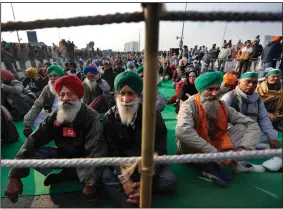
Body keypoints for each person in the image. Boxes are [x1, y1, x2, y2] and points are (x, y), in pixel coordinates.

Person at [4, 75, 108, 203]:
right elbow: (34, 139)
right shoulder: (55, 115)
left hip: (83, 158)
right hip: (63, 155)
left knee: (102, 172)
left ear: (79, 96)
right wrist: (14, 176)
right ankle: (70, 173)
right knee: (33, 152)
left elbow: (95, 149)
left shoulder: (91, 116)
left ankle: (68, 175)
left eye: (70, 94)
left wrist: (90, 183)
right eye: (62, 95)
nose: (65, 99)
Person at [102, 71, 176, 207]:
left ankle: (135, 192)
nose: (126, 99)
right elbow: (111, 152)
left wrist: (145, 181)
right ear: (116, 96)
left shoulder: (153, 115)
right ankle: (134, 200)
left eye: (130, 93)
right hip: (124, 165)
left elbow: (160, 149)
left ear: (139, 95)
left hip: (147, 165)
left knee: (168, 181)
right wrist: (124, 179)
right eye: (122, 94)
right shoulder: (109, 117)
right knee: (105, 176)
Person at [176, 71, 260, 187]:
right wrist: (214, 153)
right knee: (186, 134)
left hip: (215, 143)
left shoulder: (222, 105)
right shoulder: (189, 105)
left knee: (243, 127)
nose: (215, 93)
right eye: (210, 89)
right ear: (201, 91)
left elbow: (251, 124)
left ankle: (213, 164)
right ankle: (209, 165)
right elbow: (182, 131)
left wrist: (243, 150)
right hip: (193, 148)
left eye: (217, 89)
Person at [221, 72, 280, 149]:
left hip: (252, 131)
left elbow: (263, 118)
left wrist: (272, 138)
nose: (251, 85)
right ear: (239, 82)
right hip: (233, 131)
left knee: (271, 134)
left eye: (254, 82)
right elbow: (222, 121)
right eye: (248, 81)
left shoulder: (257, 99)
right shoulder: (229, 97)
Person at [23, 65, 65, 137]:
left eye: (55, 76)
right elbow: (37, 104)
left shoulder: (68, 86)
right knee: (35, 120)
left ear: (61, 76)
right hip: (53, 114)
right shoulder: (47, 88)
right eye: (50, 76)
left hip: (67, 114)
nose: (52, 78)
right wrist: (27, 124)